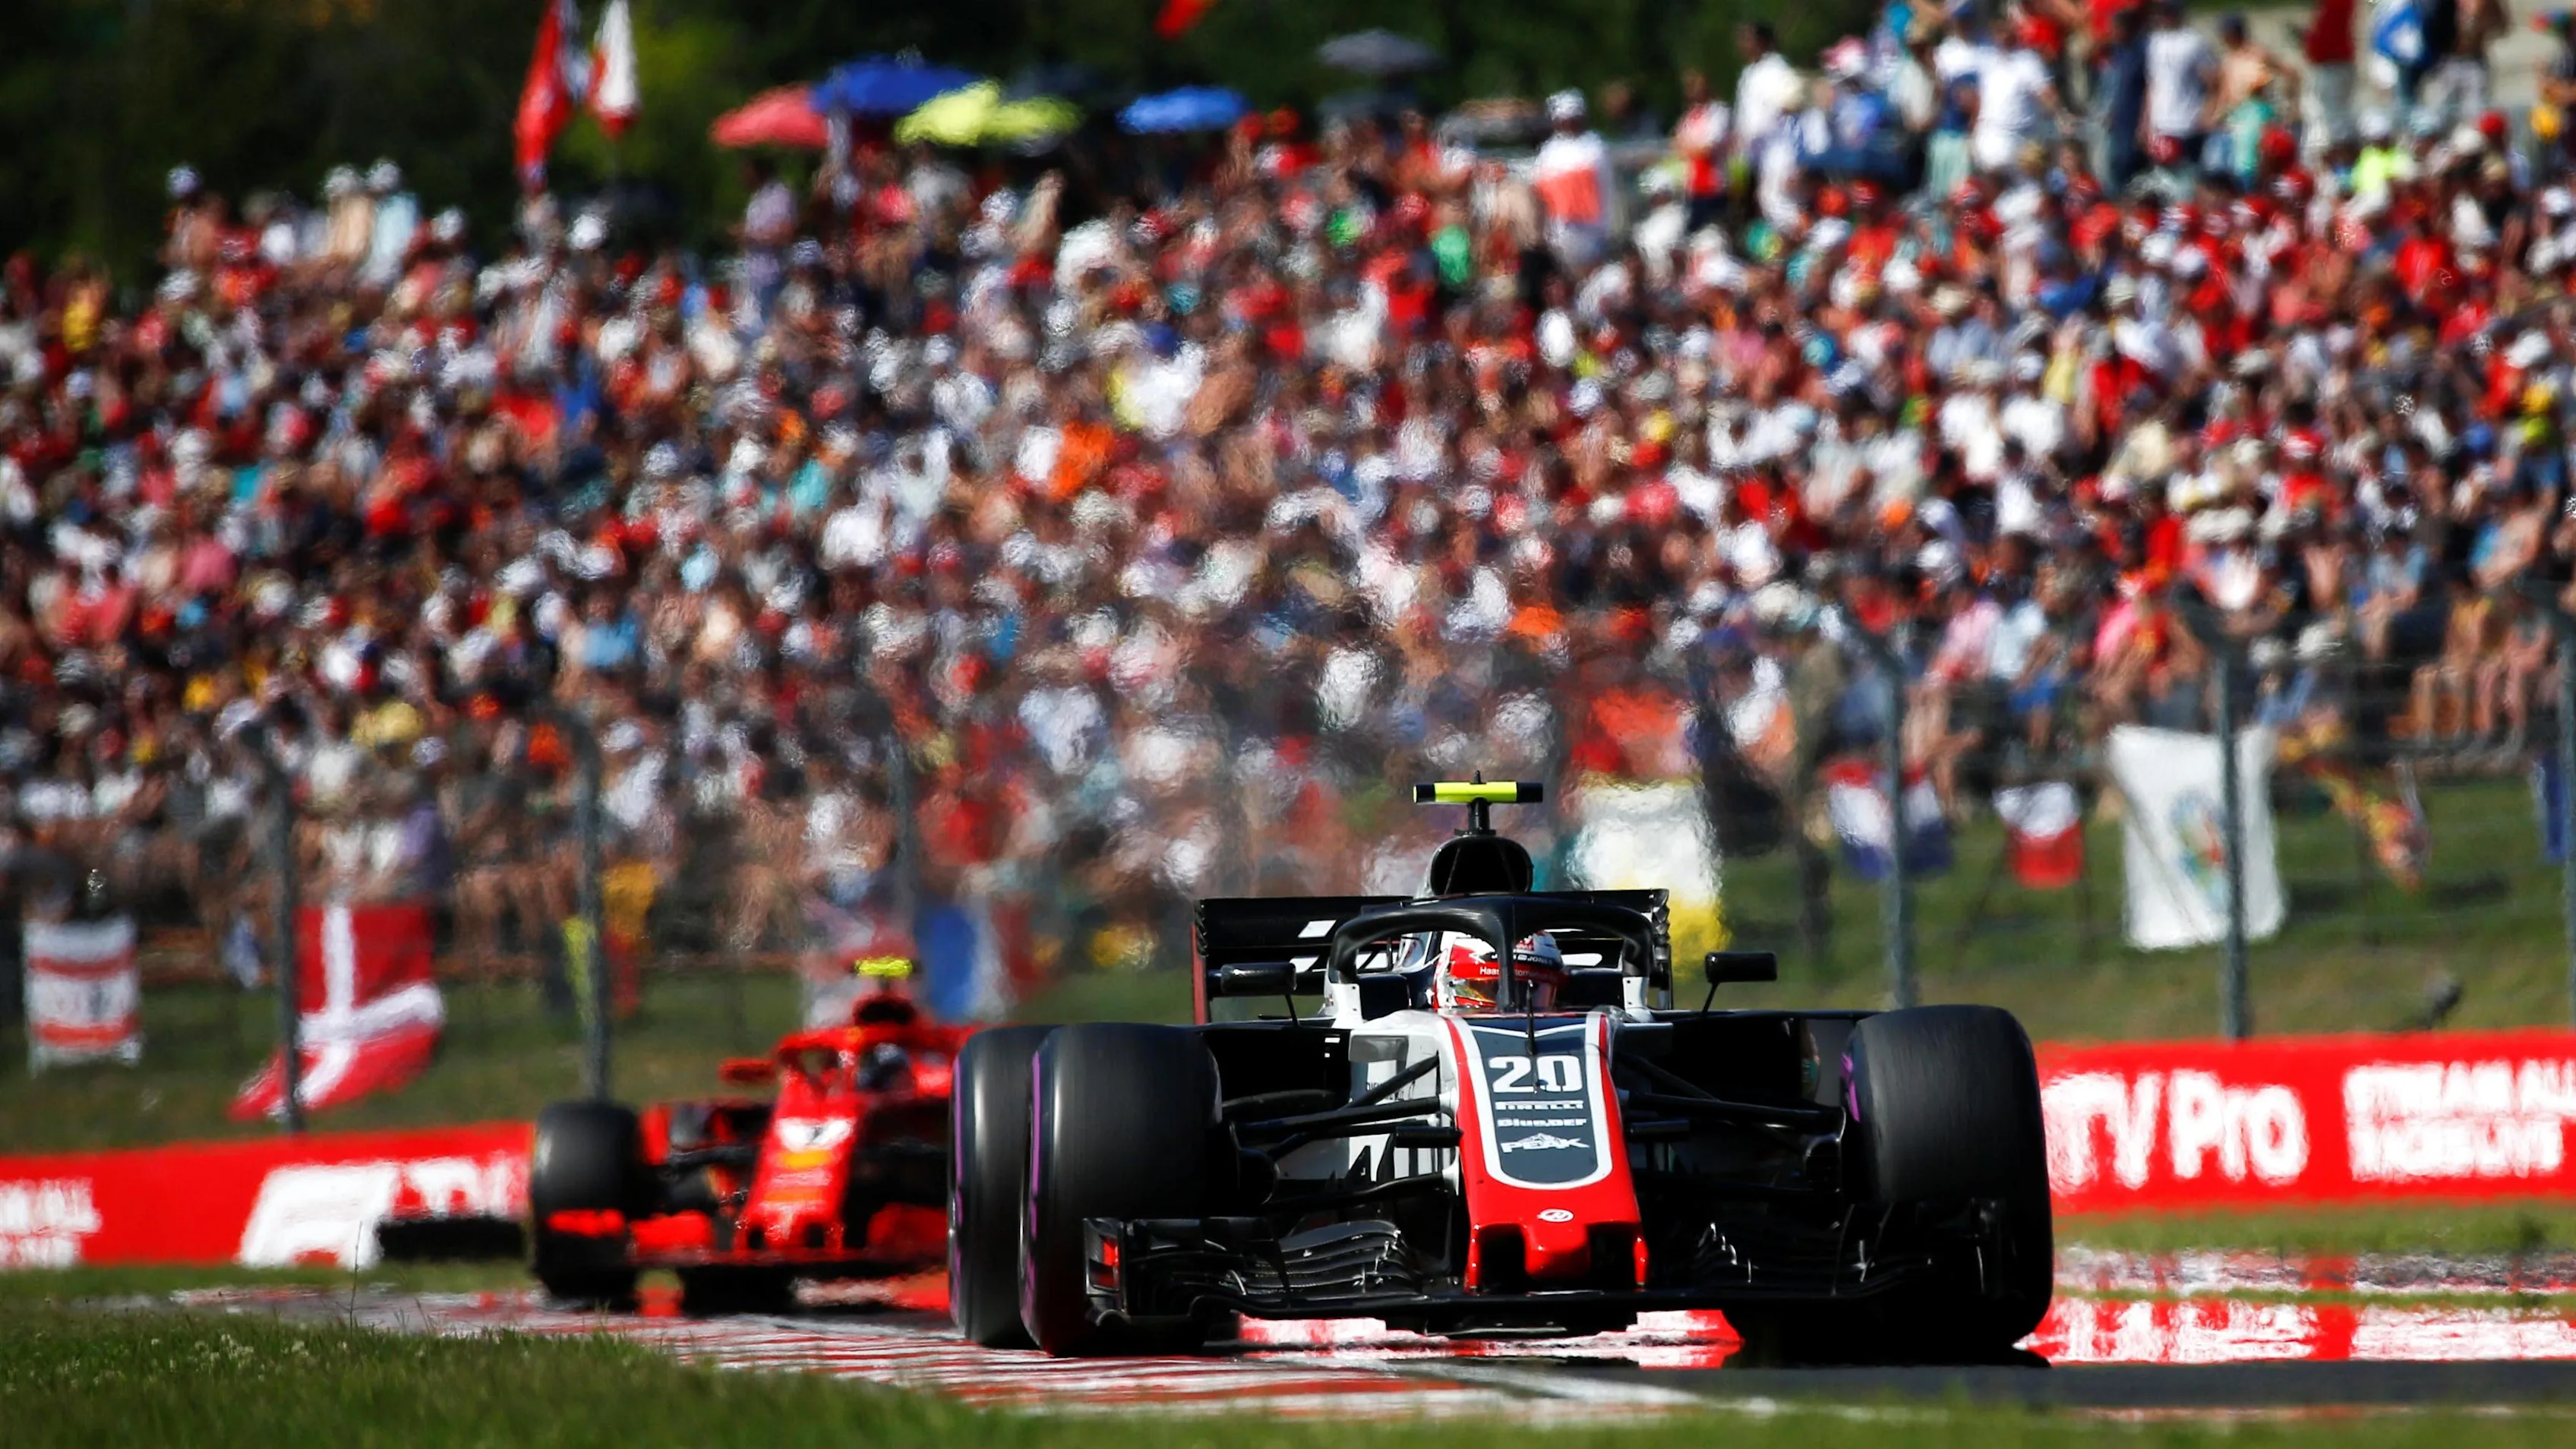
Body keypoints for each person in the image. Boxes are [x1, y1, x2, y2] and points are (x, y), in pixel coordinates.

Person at [1532, 90, 1615, 269]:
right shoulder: (1548, 152)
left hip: (1591, 227)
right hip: (1558, 229)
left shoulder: (1595, 145)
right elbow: (1540, 192)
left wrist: (1607, 226)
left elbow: (1606, 188)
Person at [2142, 0, 2219, 174]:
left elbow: (2213, 82)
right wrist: (2145, 122)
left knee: (2188, 175)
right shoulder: (2154, 42)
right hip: (2160, 124)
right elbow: (2152, 84)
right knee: (2162, 177)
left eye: (2168, 11)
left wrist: (2209, 112)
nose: (2164, 16)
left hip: (2187, 123)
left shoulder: (2193, 41)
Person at [1672, 68, 1731, 233]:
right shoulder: (1690, 117)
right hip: (1694, 186)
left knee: (1714, 232)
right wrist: (1692, 148)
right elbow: (1677, 145)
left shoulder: (1718, 113)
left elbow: (1708, 149)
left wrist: (1690, 148)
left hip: (1714, 185)